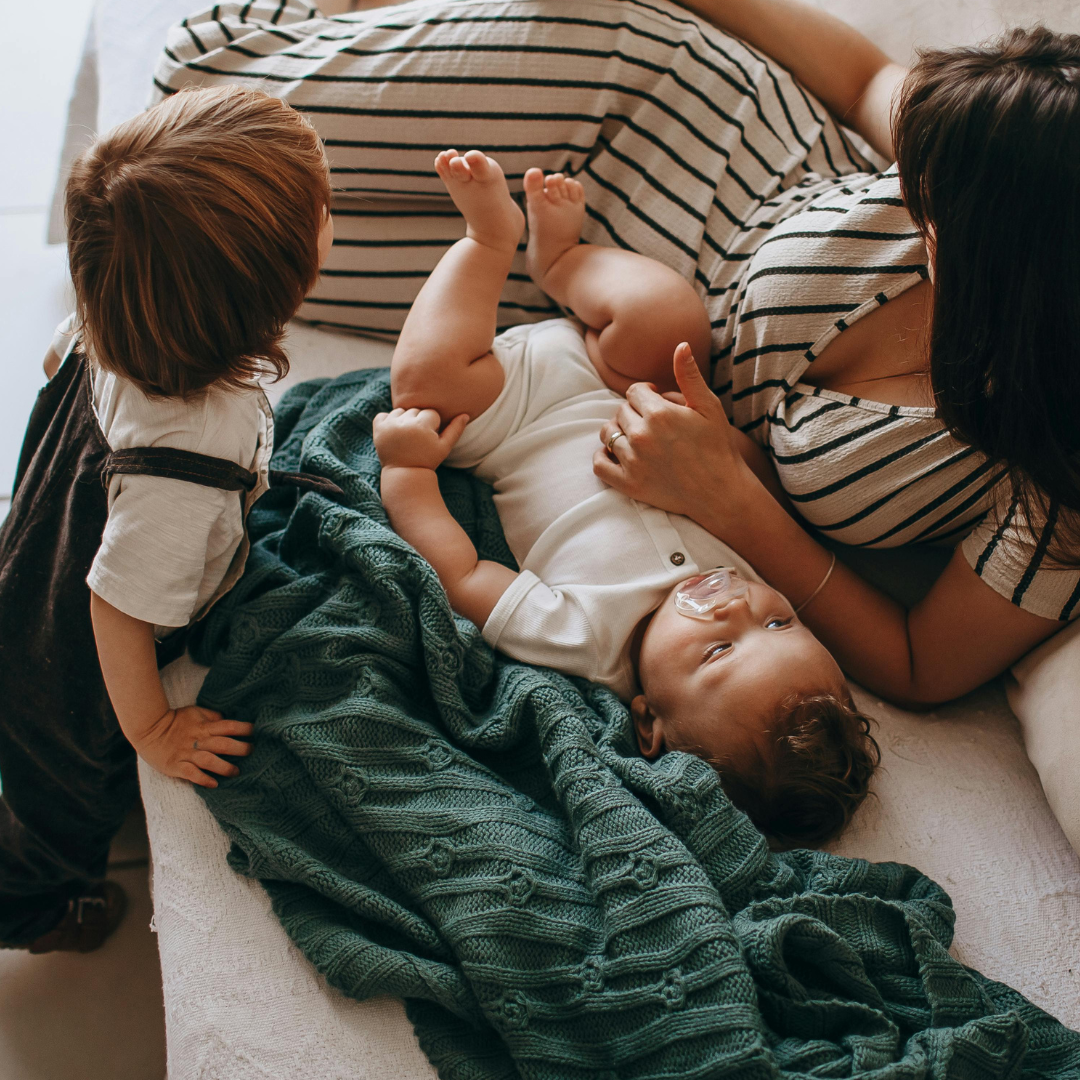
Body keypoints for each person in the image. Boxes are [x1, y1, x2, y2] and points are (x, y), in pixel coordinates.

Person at [156, 0, 1080, 707]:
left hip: (575, 324)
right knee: (197, 82)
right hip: (651, 111)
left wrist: (734, 499)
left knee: (218, 236)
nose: (913, 203)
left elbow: (920, 665)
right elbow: (864, 77)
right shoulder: (1003, 145)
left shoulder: (1054, 487)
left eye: (934, 216)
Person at [373, 148, 879, 848]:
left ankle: (487, 240)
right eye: (779, 624)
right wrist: (710, 437)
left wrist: (407, 476)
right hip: (614, 379)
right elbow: (745, 475)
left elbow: (461, 576)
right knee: (670, 316)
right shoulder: (754, 573)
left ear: (648, 722)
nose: (738, 607)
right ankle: (562, 262)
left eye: (717, 652)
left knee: (423, 384)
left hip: (499, 419)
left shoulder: (584, 640)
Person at [0, 85, 335, 953]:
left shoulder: (123, 311)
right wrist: (150, 727)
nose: (330, 219)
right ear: (262, 297)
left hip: (36, 542)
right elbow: (115, 605)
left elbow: (54, 363)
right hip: (71, 671)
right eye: (323, 216)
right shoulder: (186, 466)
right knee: (57, 797)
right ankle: (41, 907)